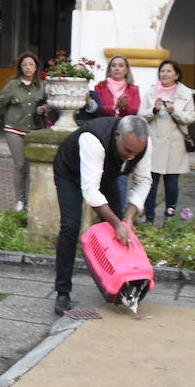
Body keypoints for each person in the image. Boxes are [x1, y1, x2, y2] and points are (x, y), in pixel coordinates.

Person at [51, 115, 152, 316]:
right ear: (117, 136)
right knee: (71, 226)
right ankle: (63, 292)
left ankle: (120, 285)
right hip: (69, 174)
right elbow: (90, 192)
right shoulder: (93, 139)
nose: (132, 157)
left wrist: (128, 218)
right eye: (128, 151)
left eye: (136, 153)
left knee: (119, 231)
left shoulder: (145, 144)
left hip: (106, 175)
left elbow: (143, 181)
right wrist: (117, 223)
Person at [0, 51, 49, 210]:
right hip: (14, 129)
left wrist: (44, 108)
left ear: (36, 67)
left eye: (31, 65)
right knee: (20, 164)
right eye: (25, 65)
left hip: (35, 131)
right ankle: (20, 201)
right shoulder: (12, 85)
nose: (28, 68)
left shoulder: (42, 86)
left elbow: (50, 105)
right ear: (20, 68)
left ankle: (30, 201)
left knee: (31, 166)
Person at [142, 59, 195, 222]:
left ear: (177, 75)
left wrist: (175, 111)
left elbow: (190, 117)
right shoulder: (151, 92)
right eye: (162, 70)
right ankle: (149, 217)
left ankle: (169, 216)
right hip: (155, 143)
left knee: (172, 183)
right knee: (151, 182)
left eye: (168, 71)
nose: (164, 74)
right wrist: (154, 110)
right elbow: (140, 114)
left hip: (175, 144)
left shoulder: (185, 93)